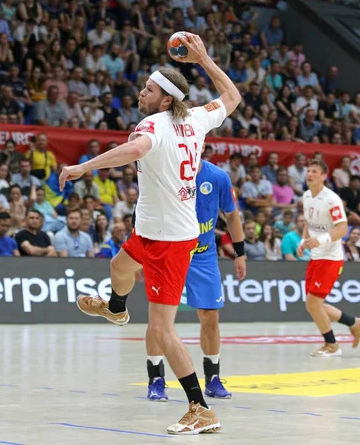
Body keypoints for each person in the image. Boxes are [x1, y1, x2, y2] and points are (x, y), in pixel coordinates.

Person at [59, 32, 241, 435]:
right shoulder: (196, 117)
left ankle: (200, 408)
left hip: (170, 240)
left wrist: (81, 168)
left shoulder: (152, 123)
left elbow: (135, 151)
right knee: (119, 265)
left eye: (149, 89)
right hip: (151, 230)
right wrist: (205, 60)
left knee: (162, 329)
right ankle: (117, 308)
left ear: (164, 100)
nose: (141, 92)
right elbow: (232, 97)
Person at [144, 159, 246, 402]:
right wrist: (139, 255)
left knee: (210, 316)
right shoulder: (165, 169)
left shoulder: (218, 177)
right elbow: (145, 210)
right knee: (159, 319)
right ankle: (156, 379)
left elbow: (232, 215)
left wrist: (240, 252)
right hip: (168, 251)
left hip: (203, 254)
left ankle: (212, 378)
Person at [298, 159, 360, 357]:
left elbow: (342, 228)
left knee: (313, 304)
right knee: (314, 305)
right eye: (308, 170)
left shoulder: (331, 199)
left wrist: (321, 241)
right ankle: (355, 323)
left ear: (323, 176)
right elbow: (308, 223)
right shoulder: (306, 196)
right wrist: (302, 242)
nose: (309, 174)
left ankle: (332, 345)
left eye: (314, 171)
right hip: (316, 256)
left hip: (330, 258)